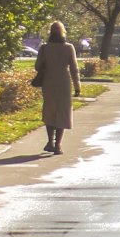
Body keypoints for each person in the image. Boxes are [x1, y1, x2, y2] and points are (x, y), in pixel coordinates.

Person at [35, 20, 83, 154]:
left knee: (50, 110)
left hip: (49, 82)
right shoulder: (68, 47)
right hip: (64, 82)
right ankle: (58, 145)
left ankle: (50, 141)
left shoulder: (44, 48)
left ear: (50, 31)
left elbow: (37, 67)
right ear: (63, 32)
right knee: (62, 112)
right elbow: (74, 68)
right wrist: (77, 86)